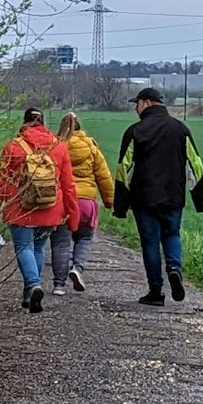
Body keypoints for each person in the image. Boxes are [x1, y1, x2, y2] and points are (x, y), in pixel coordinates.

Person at [114, 87, 203, 306]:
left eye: (136, 104)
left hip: (143, 198)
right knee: (172, 235)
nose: (135, 108)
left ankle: (155, 292)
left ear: (146, 103)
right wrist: (199, 200)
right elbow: (196, 167)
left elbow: (124, 170)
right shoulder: (180, 129)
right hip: (174, 196)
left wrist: (120, 206)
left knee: (150, 243)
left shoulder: (134, 131)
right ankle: (174, 269)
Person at [0, 107, 81, 313]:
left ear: (24, 122)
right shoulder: (59, 147)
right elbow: (68, 185)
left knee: (22, 247)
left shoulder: (13, 147)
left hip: (20, 209)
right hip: (50, 209)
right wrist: (72, 215)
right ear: (43, 123)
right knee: (38, 248)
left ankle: (33, 284)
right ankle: (29, 293)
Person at [49, 112, 112, 295]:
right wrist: (109, 201)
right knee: (84, 238)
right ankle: (77, 268)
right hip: (86, 203)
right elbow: (104, 176)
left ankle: (59, 285)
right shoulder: (91, 147)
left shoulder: (56, 147)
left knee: (60, 243)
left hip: (63, 203)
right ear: (79, 126)